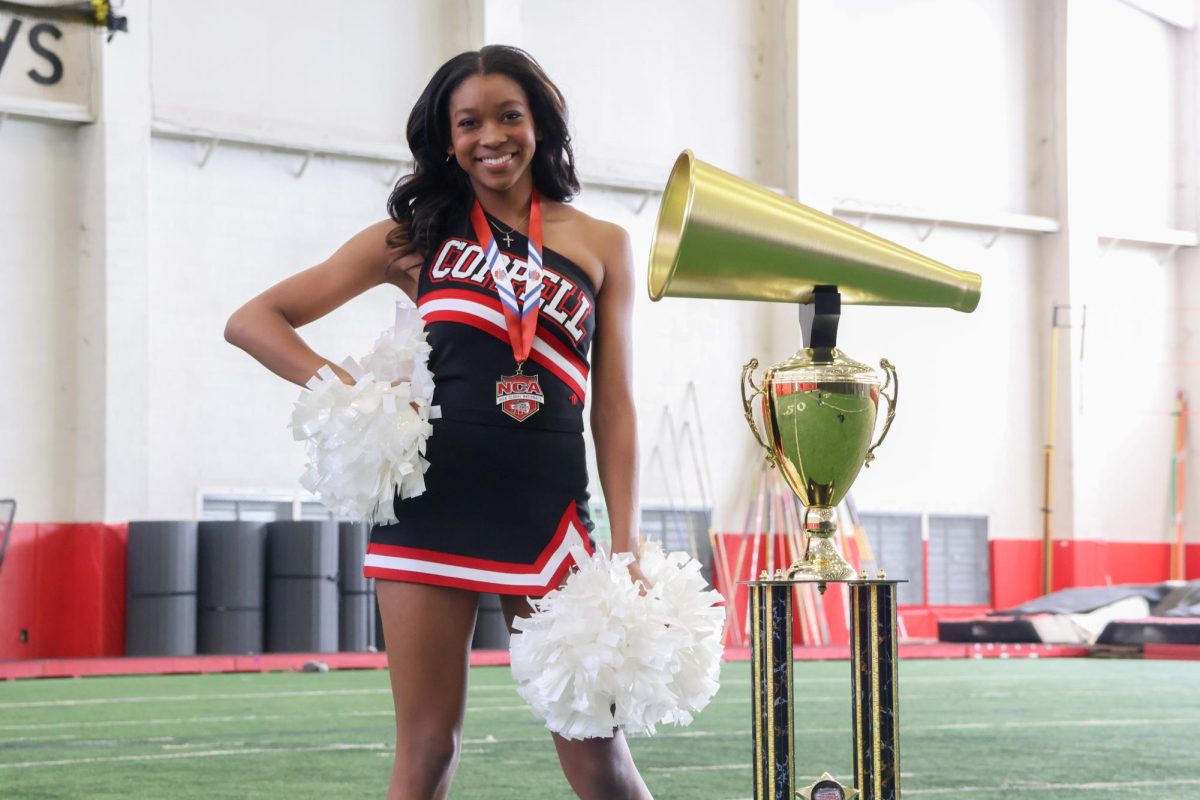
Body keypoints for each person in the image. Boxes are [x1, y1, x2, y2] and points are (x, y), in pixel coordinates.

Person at [225, 45, 653, 800]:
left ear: (541, 124)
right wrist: (357, 394)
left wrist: (630, 541)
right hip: (431, 511)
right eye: (469, 122)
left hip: (550, 518)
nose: (491, 136)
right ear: (447, 138)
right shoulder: (417, 236)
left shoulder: (602, 243)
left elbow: (613, 406)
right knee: (427, 752)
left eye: (509, 116)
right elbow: (255, 321)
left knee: (600, 759)